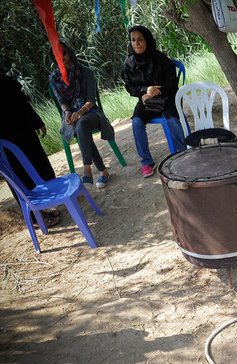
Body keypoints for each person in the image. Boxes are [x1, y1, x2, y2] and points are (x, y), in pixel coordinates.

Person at [121, 25, 185, 178]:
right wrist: (145, 92)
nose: (136, 43)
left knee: (173, 122)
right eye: (133, 40)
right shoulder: (129, 62)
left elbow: (172, 82)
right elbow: (130, 87)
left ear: (147, 40)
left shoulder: (160, 58)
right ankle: (147, 162)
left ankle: (183, 154)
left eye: (140, 39)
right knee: (136, 122)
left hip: (167, 97)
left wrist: (159, 90)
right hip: (147, 100)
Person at [49, 41, 113, 188]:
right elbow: (62, 100)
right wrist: (67, 112)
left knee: (82, 123)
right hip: (71, 115)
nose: (61, 56)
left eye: (63, 52)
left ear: (69, 52)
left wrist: (80, 112)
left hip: (91, 112)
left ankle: (87, 169)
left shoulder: (86, 72)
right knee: (80, 126)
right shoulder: (54, 77)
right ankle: (103, 171)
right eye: (56, 54)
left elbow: (91, 100)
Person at [0, 74, 60, 227]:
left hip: (24, 132)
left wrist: (37, 121)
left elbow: (20, 101)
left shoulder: (4, 80)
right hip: (6, 141)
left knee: (38, 168)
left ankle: (43, 207)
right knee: (19, 176)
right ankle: (36, 217)